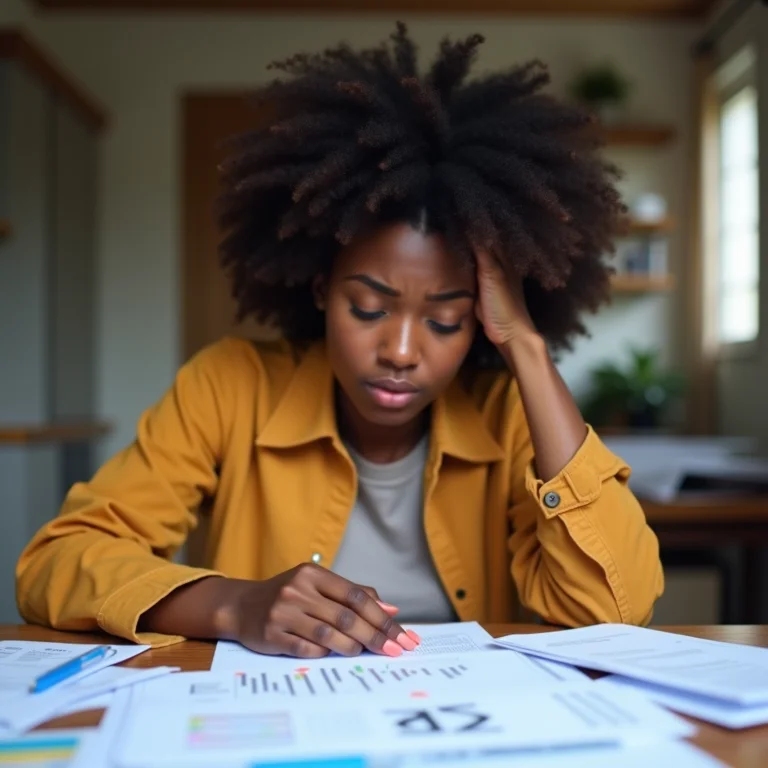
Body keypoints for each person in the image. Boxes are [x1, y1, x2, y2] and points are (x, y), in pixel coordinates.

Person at [16, 25, 663, 659]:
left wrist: (525, 344)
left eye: (445, 320)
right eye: (370, 308)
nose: (401, 351)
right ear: (322, 288)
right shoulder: (230, 386)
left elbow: (615, 611)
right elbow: (57, 560)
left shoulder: (511, 415)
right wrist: (235, 605)